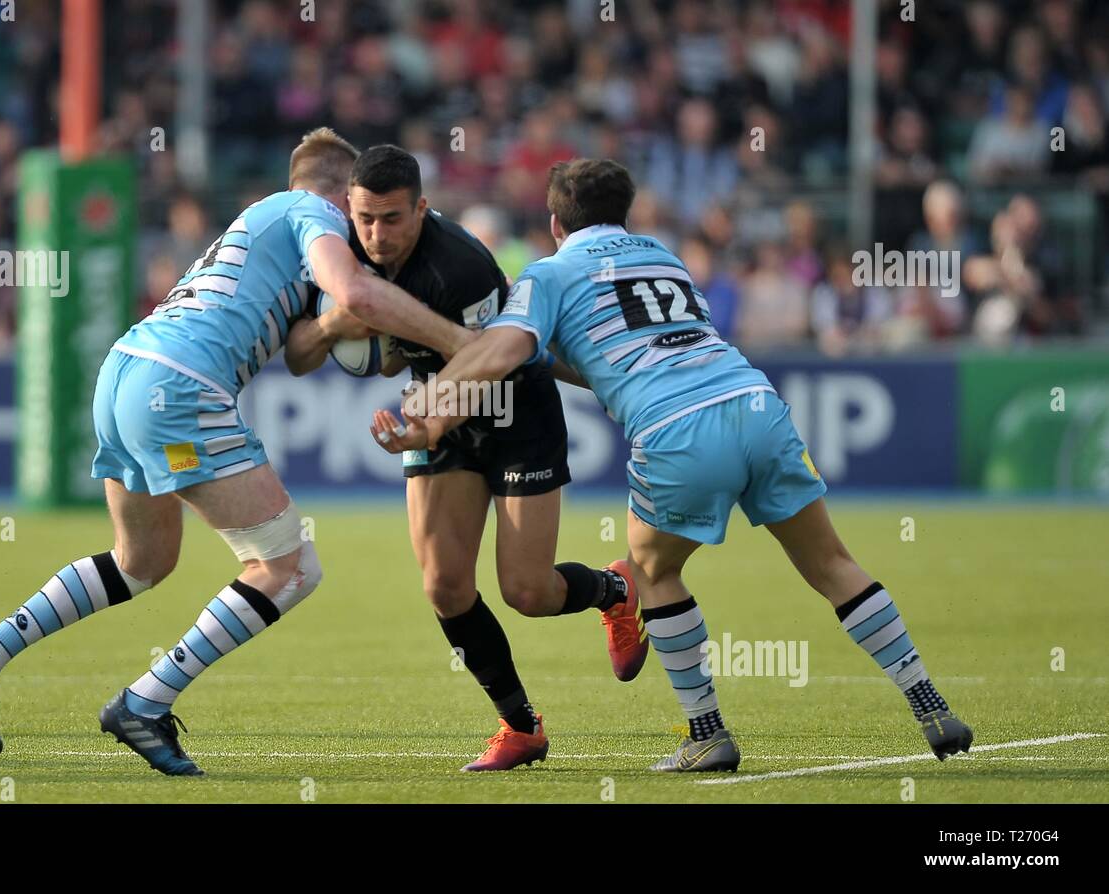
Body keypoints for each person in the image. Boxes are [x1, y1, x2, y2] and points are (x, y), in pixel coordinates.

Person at [373, 158, 973, 772]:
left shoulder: (549, 273)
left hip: (676, 428)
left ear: (555, 222)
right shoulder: (663, 255)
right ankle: (930, 704)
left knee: (652, 573)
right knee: (833, 564)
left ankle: (707, 734)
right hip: (756, 403)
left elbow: (502, 349)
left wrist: (429, 409)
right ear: (623, 213)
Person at [0, 128, 468, 776]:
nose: (363, 224)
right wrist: (458, 342)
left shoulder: (259, 226)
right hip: (181, 388)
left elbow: (305, 350)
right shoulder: (311, 212)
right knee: (289, 566)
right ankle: (145, 703)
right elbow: (353, 294)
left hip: (127, 367)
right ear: (340, 190)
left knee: (142, 561)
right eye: (359, 209)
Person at [285, 145, 645, 771]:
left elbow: (481, 365)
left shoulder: (463, 266)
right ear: (349, 207)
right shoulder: (336, 254)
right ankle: (521, 726)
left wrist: (422, 423)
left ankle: (615, 589)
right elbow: (298, 355)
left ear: (422, 209)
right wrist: (336, 323)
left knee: (527, 592)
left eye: (392, 219)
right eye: (365, 218)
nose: (376, 235)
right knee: (445, 586)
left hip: (512, 412)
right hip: (436, 412)